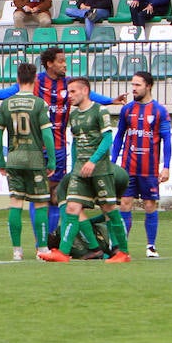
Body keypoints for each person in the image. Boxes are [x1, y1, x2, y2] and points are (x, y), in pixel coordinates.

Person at [0, 47, 118, 237]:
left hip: (58, 147)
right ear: (49, 63)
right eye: (60, 61)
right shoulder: (37, 82)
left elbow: (89, 96)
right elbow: (12, 90)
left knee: (56, 195)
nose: (65, 64)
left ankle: (51, 239)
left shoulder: (69, 85)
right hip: (36, 148)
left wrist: (110, 100)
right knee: (38, 196)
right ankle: (40, 242)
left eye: (65, 61)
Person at [41, 78, 131, 262]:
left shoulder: (100, 111)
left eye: (73, 91)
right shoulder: (74, 116)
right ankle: (63, 253)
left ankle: (123, 252)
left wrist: (92, 161)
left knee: (110, 209)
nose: (70, 96)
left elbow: (107, 139)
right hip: (80, 171)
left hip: (100, 170)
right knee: (72, 207)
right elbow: (75, 144)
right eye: (69, 92)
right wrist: (75, 167)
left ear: (85, 90)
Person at [0, 62, 54, 260]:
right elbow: (47, 135)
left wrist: (1, 161)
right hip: (35, 160)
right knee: (40, 204)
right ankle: (43, 249)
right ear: (35, 80)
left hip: (14, 159)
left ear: (18, 79)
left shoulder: (6, 104)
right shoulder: (39, 103)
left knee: (15, 203)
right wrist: (51, 161)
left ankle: (17, 251)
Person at [111, 71, 172, 258]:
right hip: (128, 167)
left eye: (137, 85)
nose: (134, 89)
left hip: (149, 169)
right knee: (125, 204)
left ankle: (151, 246)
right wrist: (113, 162)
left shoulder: (159, 111)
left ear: (148, 86)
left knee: (149, 205)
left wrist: (166, 166)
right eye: (132, 85)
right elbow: (119, 136)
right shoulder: (127, 110)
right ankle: (122, 247)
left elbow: (167, 139)